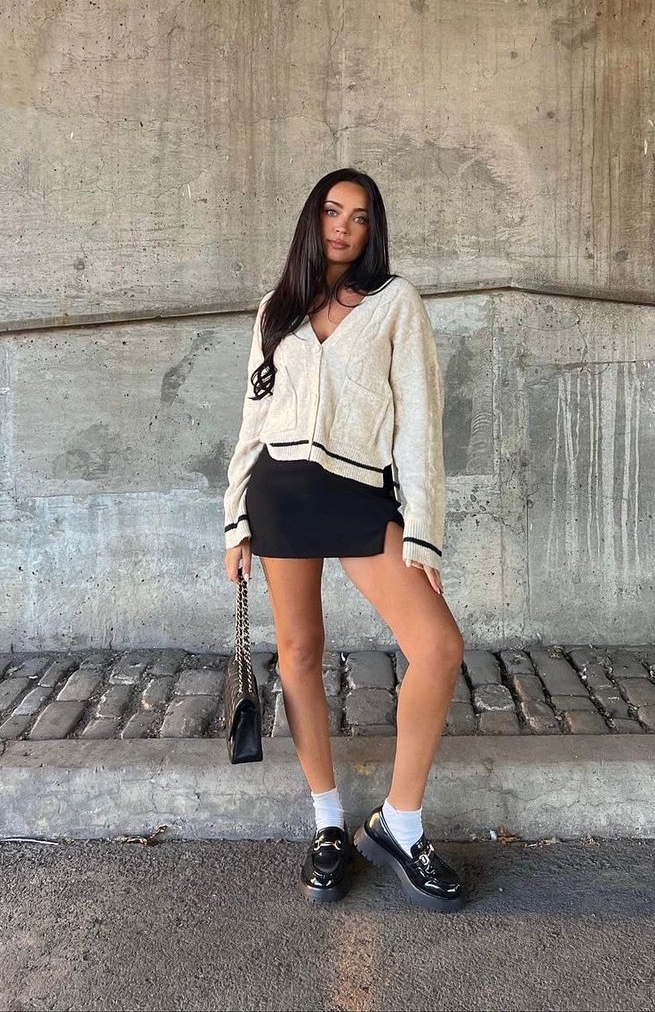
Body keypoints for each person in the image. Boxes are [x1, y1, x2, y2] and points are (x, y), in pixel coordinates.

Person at [221, 167, 465, 913]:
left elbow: (420, 422)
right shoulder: (277, 309)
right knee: (298, 652)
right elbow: (253, 418)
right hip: (280, 494)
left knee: (438, 647)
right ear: (314, 218)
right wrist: (235, 519)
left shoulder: (396, 303)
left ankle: (400, 823)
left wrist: (423, 533)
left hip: (360, 495)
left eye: (359, 217)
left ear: (372, 231)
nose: (344, 227)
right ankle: (328, 821)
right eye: (333, 211)